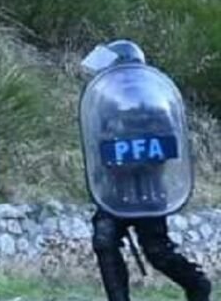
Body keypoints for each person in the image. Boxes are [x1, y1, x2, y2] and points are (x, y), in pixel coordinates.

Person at [81, 40, 211, 301]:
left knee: (157, 251)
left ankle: (197, 284)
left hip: (148, 188)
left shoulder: (154, 104)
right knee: (104, 239)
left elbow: (165, 146)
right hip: (115, 188)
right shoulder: (107, 105)